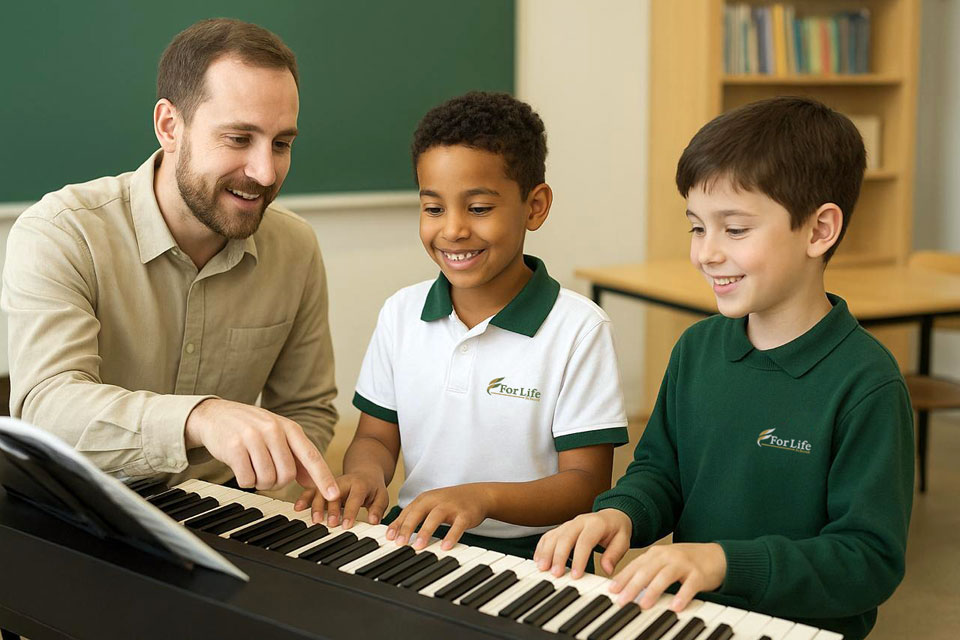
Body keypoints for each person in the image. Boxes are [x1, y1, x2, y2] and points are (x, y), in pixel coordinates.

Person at [533, 96, 913, 640]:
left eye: (734, 230)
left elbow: (867, 560)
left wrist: (723, 563)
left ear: (818, 230)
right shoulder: (696, 349)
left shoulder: (865, 384)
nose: (706, 254)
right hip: (692, 616)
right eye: (696, 228)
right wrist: (620, 515)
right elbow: (660, 474)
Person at [1, 18, 340, 502]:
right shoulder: (62, 231)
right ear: (169, 126)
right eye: (239, 139)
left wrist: (278, 500)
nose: (265, 172)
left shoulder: (295, 247)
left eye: (281, 144)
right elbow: (47, 409)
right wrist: (200, 416)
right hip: (84, 515)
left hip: (224, 512)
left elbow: (308, 410)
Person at [296, 91, 629, 559]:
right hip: (415, 536)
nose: (452, 229)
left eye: (478, 208)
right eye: (433, 208)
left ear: (534, 206)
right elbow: (374, 436)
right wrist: (367, 474)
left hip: (538, 552)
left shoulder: (579, 329)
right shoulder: (400, 313)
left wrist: (482, 498)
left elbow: (585, 484)